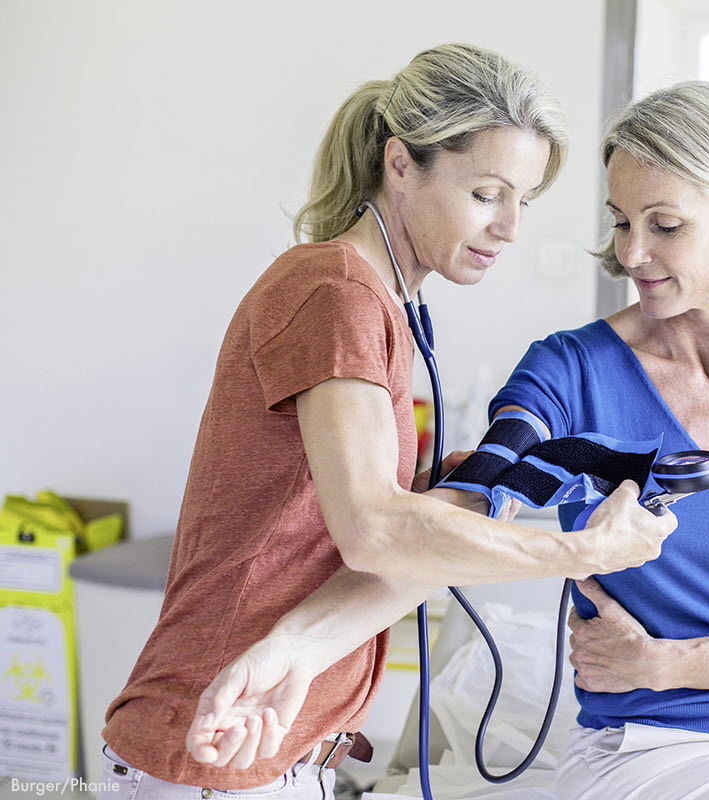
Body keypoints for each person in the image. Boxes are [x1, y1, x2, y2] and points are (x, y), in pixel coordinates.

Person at [185, 81, 709, 799]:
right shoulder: (571, 370)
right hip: (653, 741)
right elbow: (453, 522)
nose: (631, 254)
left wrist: (665, 662)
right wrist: (297, 648)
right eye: (619, 221)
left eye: (665, 225)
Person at [97, 43, 675, 800]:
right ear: (401, 164)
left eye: (524, 202)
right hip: (218, 747)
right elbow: (374, 530)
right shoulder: (336, 294)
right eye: (487, 194)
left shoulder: (377, 303)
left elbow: (381, 515)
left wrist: (531, 467)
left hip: (267, 747)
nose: (510, 228)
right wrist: (580, 551)